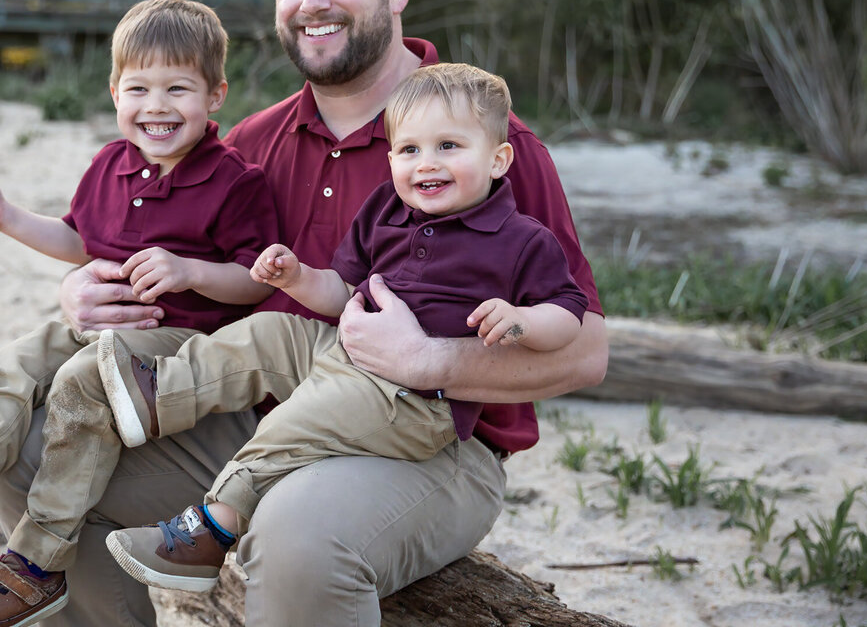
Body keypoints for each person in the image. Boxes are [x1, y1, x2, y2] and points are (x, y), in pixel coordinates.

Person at [0, 0, 608, 627]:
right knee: (28, 453)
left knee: (293, 544)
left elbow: (586, 355)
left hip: (426, 442)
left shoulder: (481, 150)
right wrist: (88, 293)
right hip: (248, 419)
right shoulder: (247, 146)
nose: (312, 2)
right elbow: (178, 280)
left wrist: (430, 360)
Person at [0, 0, 278, 627]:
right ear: (113, 92)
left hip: (179, 347)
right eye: (138, 88)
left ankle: (35, 563)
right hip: (96, 332)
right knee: (18, 359)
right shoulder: (109, 165)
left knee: (80, 393)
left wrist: (190, 272)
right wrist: (6, 218)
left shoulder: (234, 181)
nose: (156, 106)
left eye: (177, 88)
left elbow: (254, 282)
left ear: (215, 95)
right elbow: (78, 240)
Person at [100, 62, 590, 592]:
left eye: (449, 147)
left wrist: (519, 323)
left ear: (498, 159)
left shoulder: (521, 239)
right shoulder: (387, 209)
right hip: (346, 355)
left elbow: (568, 316)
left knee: (299, 419)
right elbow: (340, 291)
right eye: (409, 150)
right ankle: (158, 395)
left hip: (417, 402)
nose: (426, 164)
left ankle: (212, 528)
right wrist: (297, 277)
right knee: (270, 332)